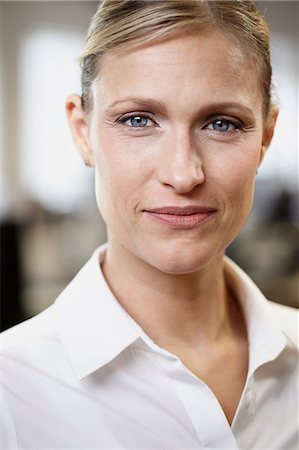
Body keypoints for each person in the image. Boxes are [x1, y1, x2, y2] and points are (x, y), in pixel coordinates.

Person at [1, 1, 298, 449]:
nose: (183, 174)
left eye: (222, 123)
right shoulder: (10, 390)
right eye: (137, 120)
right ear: (82, 131)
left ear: (266, 137)